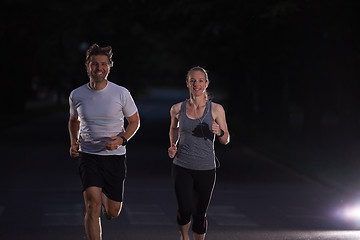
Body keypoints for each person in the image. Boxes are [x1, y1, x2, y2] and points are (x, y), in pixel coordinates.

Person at [68, 44, 140, 240]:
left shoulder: (121, 93)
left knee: (114, 211)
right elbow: (74, 120)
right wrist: (74, 141)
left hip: (114, 157)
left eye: (103, 64)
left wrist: (121, 139)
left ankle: (110, 211)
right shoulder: (76, 95)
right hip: (88, 156)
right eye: (94, 64)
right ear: (87, 66)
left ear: (109, 66)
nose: (98, 68)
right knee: (92, 204)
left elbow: (134, 122)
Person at [168, 66, 230, 240]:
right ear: (187, 83)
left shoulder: (216, 109)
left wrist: (219, 132)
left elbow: (226, 140)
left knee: (200, 214)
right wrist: (173, 145)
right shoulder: (177, 109)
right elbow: (174, 128)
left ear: (207, 83)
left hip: (206, 169)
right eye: (193, 80)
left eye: (201, 80)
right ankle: (184, 236)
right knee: (185, 209)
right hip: (182, 166)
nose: (197, 84)